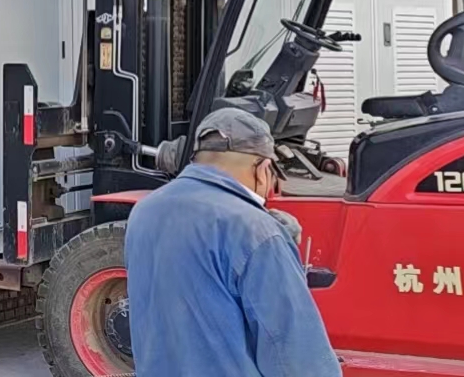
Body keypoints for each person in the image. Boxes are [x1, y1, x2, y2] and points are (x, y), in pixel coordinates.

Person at [124, 108, 339, 377]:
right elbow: (298, 358)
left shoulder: (143, 212)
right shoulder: (256, 231)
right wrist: (274, 243)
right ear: (262, 169)